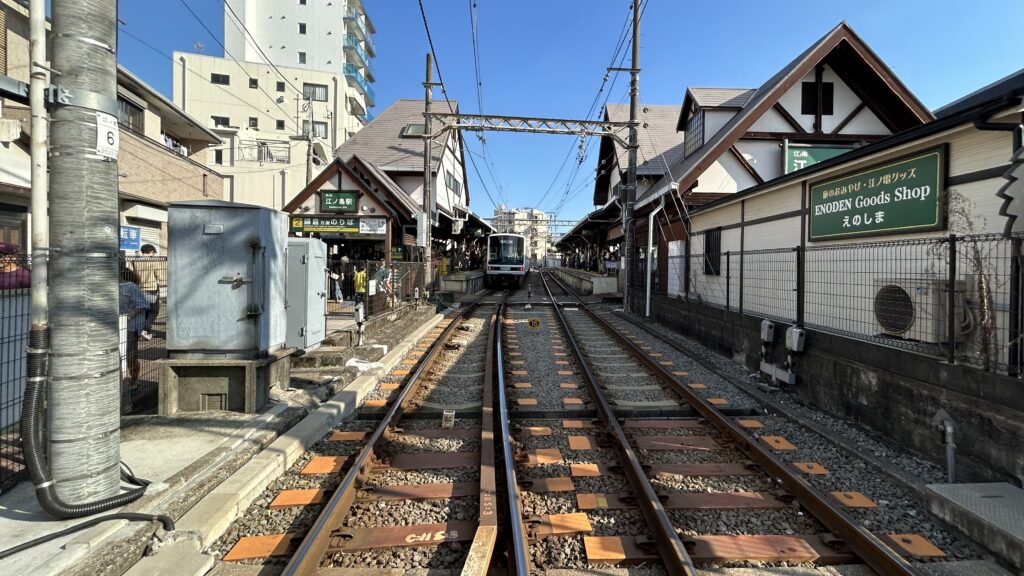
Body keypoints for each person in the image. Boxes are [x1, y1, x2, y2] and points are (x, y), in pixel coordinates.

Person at [119, 262, 149, 399]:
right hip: (113, 326)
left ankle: (134, 379)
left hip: (130, 327)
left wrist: (129, 315)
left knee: (130, 356)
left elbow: (143, 304)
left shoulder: (130, 287)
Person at [134, 244, 163, 340]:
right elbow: (159, 275)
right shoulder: (153, 261)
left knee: (144, 311)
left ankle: (144, 331)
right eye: (153, 253)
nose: (154, 255)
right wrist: (163, 281)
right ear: (150, 252)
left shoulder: (134, 260)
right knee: (154, 311)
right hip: (152, 288)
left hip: (139, 288)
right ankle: (144, 330)